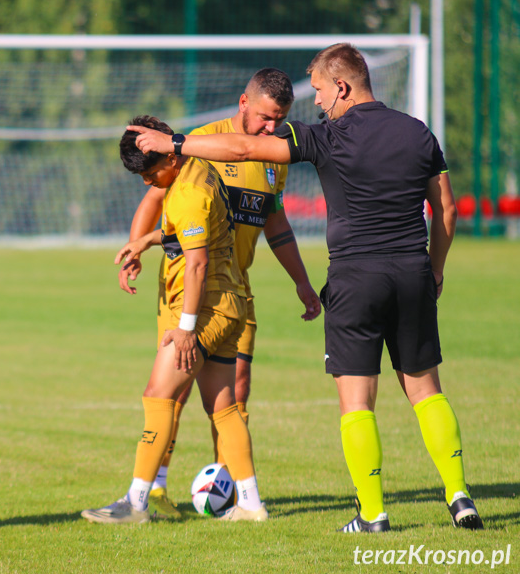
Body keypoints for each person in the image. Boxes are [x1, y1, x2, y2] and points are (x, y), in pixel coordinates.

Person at [127, 43, 483, 533]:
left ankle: (373, 514)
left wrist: (176, 143)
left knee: (357, 402)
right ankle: (460, 494)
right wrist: (435, 270)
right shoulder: (418, 132)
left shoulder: (326, 137)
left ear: (341, 86)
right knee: (426, 392)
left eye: (317, 91)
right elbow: (445, 210)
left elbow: (247, 148)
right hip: (413, 273)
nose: (316, 102)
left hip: (355, 280)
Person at [117, 69, 321, 520]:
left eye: (281, 119)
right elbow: (153, 197)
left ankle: (231, 495)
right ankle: (156, 491)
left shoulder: (274, 156)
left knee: (232, 395)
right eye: (267, 118)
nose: (272, 128)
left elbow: (274, 221)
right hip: (187, 290)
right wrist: (137, 247)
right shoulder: (198, 145)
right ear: (243, 102)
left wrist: (302, 282)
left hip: (234, 287)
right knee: (176, 389)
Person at [81, 115, 268, 524]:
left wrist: (185, 332)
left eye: (150, 173)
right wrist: (145, 242)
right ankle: (252, 505)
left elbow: (197, 264)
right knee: (223, 407)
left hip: (207, 309)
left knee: (158, 395)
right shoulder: (198, 165)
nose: (147, 183)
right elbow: (188, 237)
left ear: (168, 155)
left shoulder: (187, 194)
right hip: (230, 304)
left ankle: (136, 503)